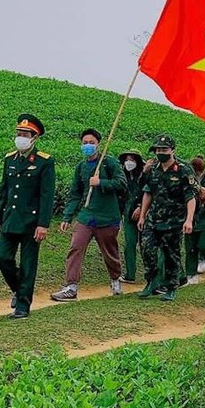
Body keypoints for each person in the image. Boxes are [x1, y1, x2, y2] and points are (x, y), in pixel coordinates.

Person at [0, 113, 55, 319]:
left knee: (28, 265)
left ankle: (23, 306)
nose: (21, 136)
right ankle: (20, 290)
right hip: (11, 218)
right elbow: (4, 191)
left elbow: (47, 196)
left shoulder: (44, 162)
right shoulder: (9, 159)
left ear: (34, 137)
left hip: (31, 221)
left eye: (25, 134)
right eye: (19, 133)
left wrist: (43, 224)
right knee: (1, 257)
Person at [52, 129, 126, 301]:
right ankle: (71, 286)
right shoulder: (81, 167)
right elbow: (75, 193)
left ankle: (115, 278)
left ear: (98, 144)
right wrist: (67, 217)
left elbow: (121, 183)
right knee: (76, 247)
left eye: (91, 142)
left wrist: (101, 182)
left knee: (110, 251)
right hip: (87, 216)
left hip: (107, 216)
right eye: (85, 142)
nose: (88, 145)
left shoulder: (109, 163)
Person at [137, 135, 196, 302]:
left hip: (174, 221)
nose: (160, 153)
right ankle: (151, 281)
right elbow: (148, 192)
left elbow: (190, 197)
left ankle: (171, 287)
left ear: (172, 150)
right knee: (147, 249)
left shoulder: (183, 169)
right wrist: (142, 215)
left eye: (164, 150)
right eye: (157, 150)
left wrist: (189, 219)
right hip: (153, 219)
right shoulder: (153, 168)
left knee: (171, 255)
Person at [118, 151, 145, 282]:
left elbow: (149, 193)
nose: (129, 162)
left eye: (132, 159)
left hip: (144, 214)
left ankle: (153, 275)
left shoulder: (144, 175)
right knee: (129, 244)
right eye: (127, 159)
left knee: (146, 245)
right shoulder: (123, 176)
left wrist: (141, 207)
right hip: (128, 215)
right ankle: (130, 274)